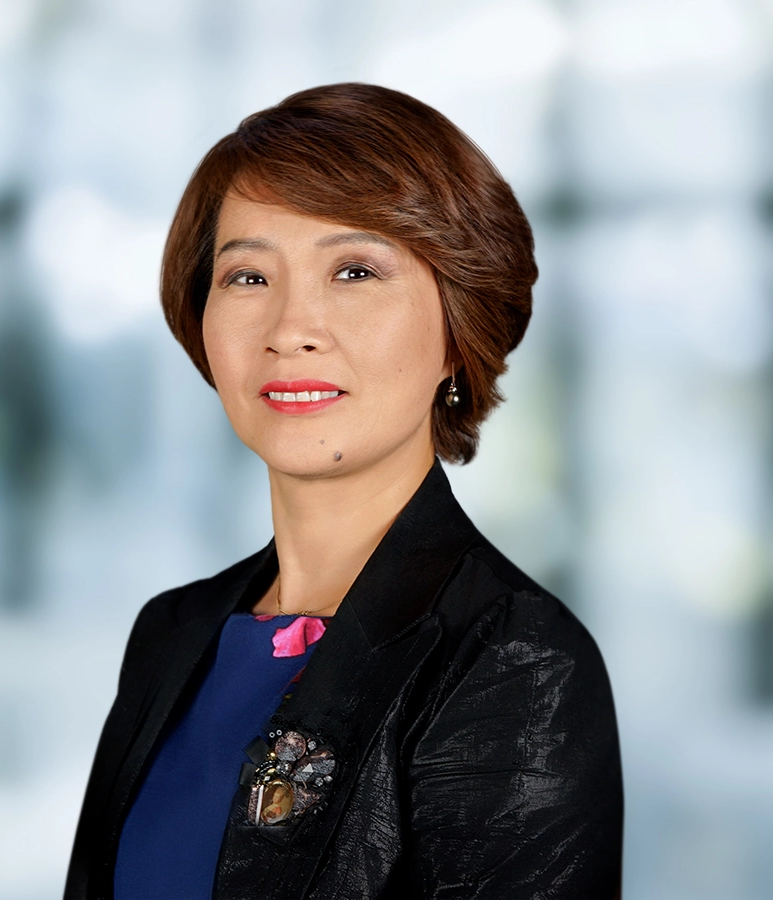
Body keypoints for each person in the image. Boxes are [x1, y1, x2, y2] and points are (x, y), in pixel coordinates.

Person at [64, 83, 623, 899]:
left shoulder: (516, 660)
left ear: (457, 330)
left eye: (355, 271)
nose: (290, 329)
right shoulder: (172, 634)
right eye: (247, 276)